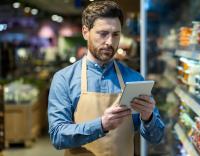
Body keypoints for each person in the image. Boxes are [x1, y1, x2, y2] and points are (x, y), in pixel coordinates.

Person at [47, 1, 165, 156]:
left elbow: (156, 137)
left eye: (116, 34)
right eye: (103, 34)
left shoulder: (134, 79)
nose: (110, 42)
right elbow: (57, 136)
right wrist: (101, 125)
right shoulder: (64, 79)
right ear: (85, 32)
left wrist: (148, 117)